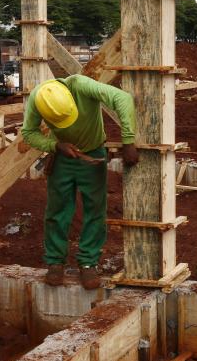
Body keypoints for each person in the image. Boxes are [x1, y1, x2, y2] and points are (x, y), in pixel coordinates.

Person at [22, 76, 138, 289]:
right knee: (57, 210)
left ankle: (88, 263)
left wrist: (128, 140)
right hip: (62, 158)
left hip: (93, 154)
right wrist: (55, 146)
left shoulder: (82, 86)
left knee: (94, 209)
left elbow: (122, 98)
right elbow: (28, 132)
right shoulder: (39, 99)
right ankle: (55, 262)